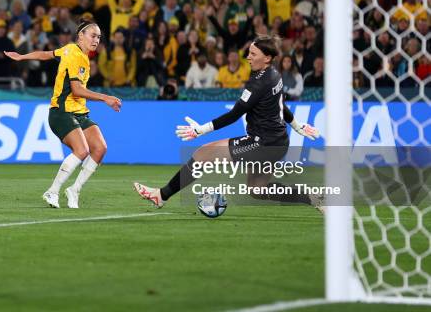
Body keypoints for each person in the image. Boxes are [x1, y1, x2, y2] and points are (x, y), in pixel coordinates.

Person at [134, 35, 323, 211]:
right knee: (257, 190)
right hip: (278, 142)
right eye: (248, 52)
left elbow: (234, 115)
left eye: (253, 54)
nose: (248, 57)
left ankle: (162, 195)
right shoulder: (274, 74)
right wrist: (298, 126)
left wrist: (201, 130)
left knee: (203, 153)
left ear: (267, 58)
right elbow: (280, 105)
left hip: (262, 143)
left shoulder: (259, 82)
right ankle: (312, 197)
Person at [4, 20, 122, 209]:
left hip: (79, 112)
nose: (96, 40)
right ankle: (52, 191)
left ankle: (74, 190)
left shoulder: (70, 50)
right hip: (61, 111)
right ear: (81, 35)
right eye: (93, 35)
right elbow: (76, 89)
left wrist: (22, 56)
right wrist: (106, 98)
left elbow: (47, 54)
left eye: (99, 37)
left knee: (100, 148)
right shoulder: (75, 56)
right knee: (82, 151)